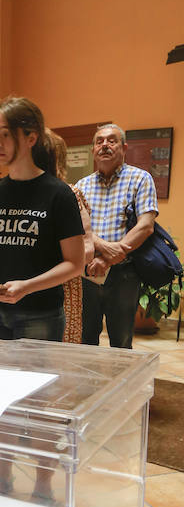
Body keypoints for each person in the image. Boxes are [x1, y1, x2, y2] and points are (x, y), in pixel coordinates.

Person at [0, 97, 85, 503]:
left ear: (30, 137)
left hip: (38, 313)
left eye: (5, 136)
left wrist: (27, 286)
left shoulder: (57, 195)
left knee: (39, 404)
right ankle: (1, 477)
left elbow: (75, 263)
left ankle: (42, 486)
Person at [75, 123, 158, 348]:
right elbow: (78, 229)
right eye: (99, 141)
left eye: (112, 140)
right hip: (88, 274)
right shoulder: (82, 185)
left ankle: (122, 383)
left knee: (121, 343)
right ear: (93, 149)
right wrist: (101, 251)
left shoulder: (140, 179)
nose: (105, 146)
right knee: (85, 340)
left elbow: (146, 226)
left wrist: (109, 258)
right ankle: (90, 384)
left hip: (124, 275)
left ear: (124, 147)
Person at [46, 129, 94, 343]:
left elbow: (87, 249)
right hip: (30, 293)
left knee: (59, 352)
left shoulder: (69, 193)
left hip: (62, 288)